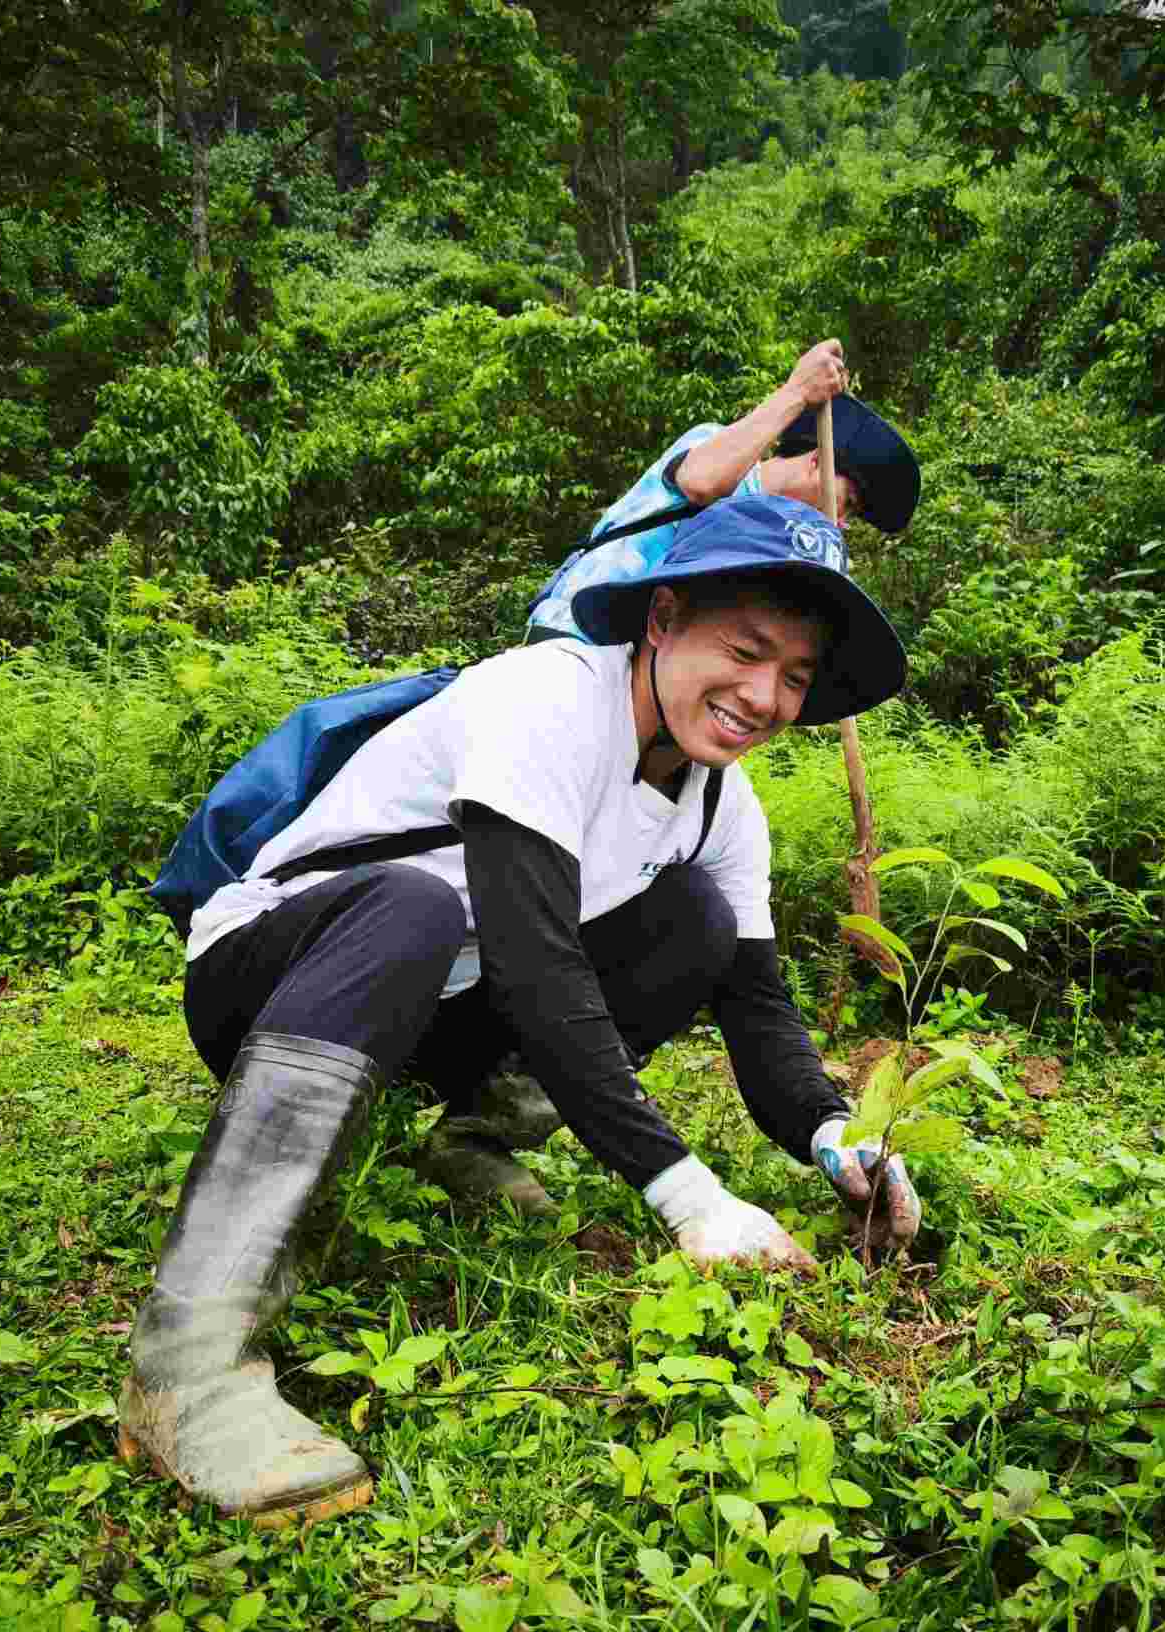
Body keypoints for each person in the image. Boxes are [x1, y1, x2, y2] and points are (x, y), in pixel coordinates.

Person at [118, 492, 925, 1528]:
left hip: (434, 1011)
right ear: (664, 619)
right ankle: (184, 1368)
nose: (762, 696)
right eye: (747, 649)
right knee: (416, 904)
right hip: (275, 980)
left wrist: (834, 1136)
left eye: (795, 677)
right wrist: (693, 1201)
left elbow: (758, 1009)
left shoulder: (725, 805)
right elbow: (539, 968)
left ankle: (470, 1139)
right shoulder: (549, 700)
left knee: (696, 919)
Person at [524, 339, 921, 643]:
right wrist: (798, 391)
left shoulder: (773, 540)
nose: (838, 520)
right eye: (846, 502)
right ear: (818, 460)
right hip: (573, 640)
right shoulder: (712, 447)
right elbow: (701, 483)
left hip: (644, 685)